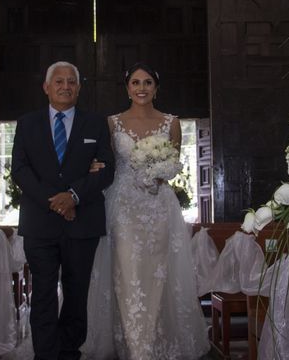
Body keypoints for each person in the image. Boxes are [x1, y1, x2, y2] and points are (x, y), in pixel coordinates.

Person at [82, 62, 210, 359]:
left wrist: (159, 171)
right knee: (126, 274)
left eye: (148, 83)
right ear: (127, 88)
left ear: (156, 88)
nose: (142, 88)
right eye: (136, 83)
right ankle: (135, 346)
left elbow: (174, 164)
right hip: (124, 206)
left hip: (159, 207)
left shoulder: (171, 122)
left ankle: (155, 341)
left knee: (159, 274)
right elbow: (106, 162)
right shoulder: (112, 123)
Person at [12, 61, 115, 360]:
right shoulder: (27, 123)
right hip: (39, 224)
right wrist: (56, 201)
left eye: (72, 81)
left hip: (83, 222)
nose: (65, 86)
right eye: (59, 81)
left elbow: (107, 170)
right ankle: (45, 354)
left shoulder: (95, 124)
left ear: (79, 88)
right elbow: (19, 169)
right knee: (42, 292)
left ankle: (69, 352)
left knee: (76, 291)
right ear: (46, 87)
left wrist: (73, 196)